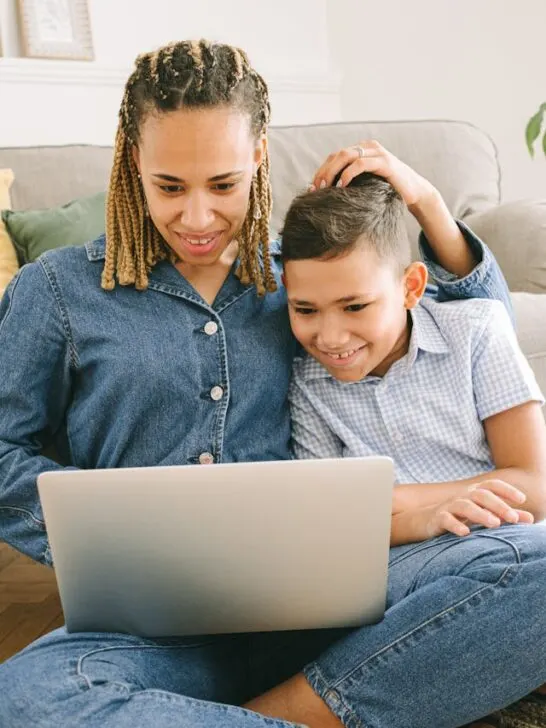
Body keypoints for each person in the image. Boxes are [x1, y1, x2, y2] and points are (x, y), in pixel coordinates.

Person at [0, 38, 533, 728]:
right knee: (29, 696)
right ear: (135, 163)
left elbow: (479, 322)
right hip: (154, 627)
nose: (197, 217)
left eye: (222, 184)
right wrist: (96, 538)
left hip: (339, 597)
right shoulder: (59, 291)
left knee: (535, 563)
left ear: (257, 159)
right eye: (169, 186)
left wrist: (424, 199)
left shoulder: (304, 277)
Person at [278, 168, 546, 728]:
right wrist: (421, 519)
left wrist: (402, 502)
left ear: (411, 287)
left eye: (354, 307)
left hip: (509, 544)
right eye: (305, 310)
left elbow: (536, 484)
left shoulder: (477, 330)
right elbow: (329, 523)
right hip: (397, 569)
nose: (330, 337)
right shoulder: (306, 381)